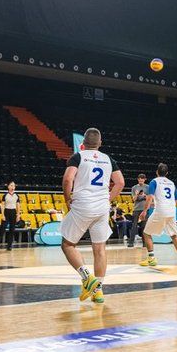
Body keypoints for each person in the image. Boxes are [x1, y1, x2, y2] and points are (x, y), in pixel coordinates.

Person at [61, 127, 125, 304]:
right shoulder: (108, 159)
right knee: (100, 249)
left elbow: (68, 179)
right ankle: (99, 292)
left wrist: (68, 199)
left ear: (83, 144)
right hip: (101, 208)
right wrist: (108, 198)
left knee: (67, 244)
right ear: (100, 143)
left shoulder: (78, 156)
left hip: (83, 205)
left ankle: (87, 277)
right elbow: (120, 182)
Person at [138, 163, 177, 267]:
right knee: (174, 235)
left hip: (160, 210)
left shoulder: (154, 181)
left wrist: (144, 211)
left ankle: (151, 258)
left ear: (157, 172)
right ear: (167, 173)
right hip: (171, 211)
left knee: (146, 233)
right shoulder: (171, 183)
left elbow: (150, 197)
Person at [0, 182, 20, 251]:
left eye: (14, 186)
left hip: (13, 212)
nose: (13, 187)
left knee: (12, 230)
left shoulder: (16, 195)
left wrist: (18, 215)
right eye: (11, 185)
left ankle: (9, 246)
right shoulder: (5, 195)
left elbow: (18, 206)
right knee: (2, 230)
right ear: (8, 186)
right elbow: (2, 206)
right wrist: (2, 215)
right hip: (6, 212)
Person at [127, 173, 148, 248]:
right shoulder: (134, 187)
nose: (141, 182)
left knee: (143, 226)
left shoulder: (147, 187)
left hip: (144, 209)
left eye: (142, 181)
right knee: (134, 226)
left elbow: (150, 198)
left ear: (144, 180)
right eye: (139, 181)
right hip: (136, 209)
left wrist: (144, 195)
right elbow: (134, 199)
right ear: (138, 180)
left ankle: (145, 243)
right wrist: (136, 195)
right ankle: (131, 242)